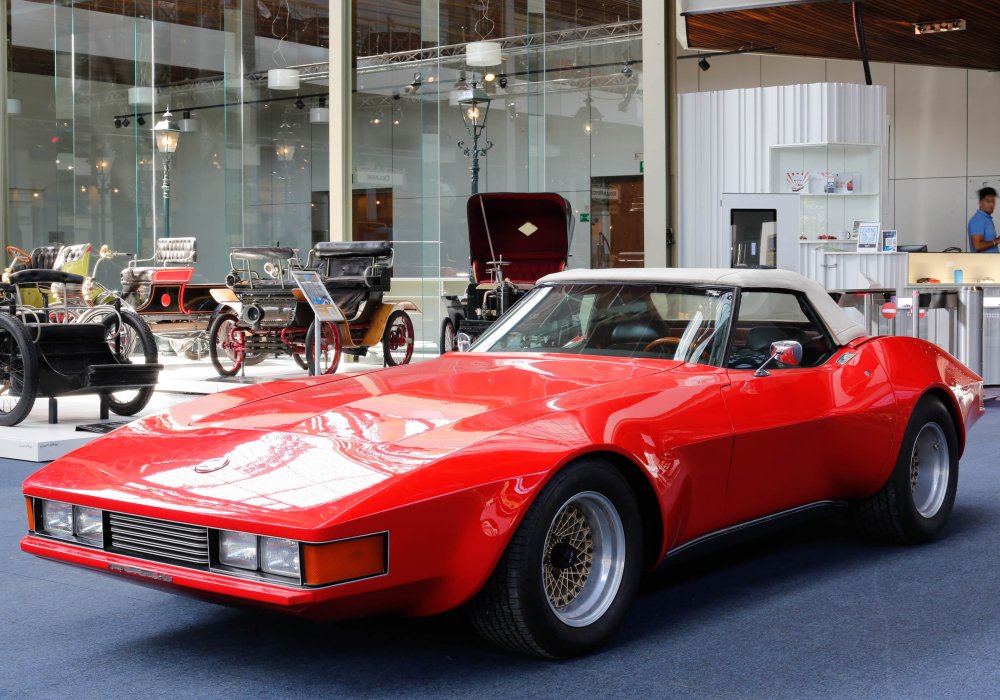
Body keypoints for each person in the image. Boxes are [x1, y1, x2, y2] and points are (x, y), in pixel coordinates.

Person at [968, 186, 998, 252]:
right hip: (982, 262)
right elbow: (977, 246)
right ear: (980, 202)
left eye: (993, 201)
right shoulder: (978, 219)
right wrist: (997, 240)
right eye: (987, 201)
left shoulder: (986, 219)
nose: (991, 204)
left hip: (990, 261)